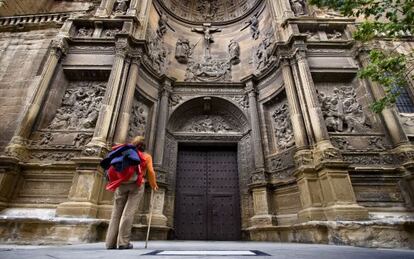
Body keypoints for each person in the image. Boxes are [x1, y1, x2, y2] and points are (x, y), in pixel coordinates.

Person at [104, 136, 158, 250]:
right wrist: (153, 185)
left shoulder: (124, 152)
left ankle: (110, 243)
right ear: (144, 146)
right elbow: (151, 172)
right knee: (128, 213)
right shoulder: (146, 156)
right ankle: (123, 242)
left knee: (116, 213)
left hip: (121, 184)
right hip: (136, 185)